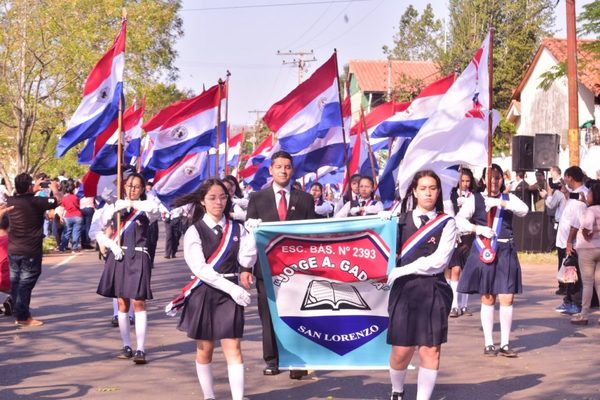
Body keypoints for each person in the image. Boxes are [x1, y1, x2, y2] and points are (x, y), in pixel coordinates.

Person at [172, 179, 256, 400]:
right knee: (205, 349)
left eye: (223, 197)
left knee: (233, 347)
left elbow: (244, 259)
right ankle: (209, 396)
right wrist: (231, 288)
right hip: (204, 292)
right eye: (212, 197)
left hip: (230, 294)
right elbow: (199, 268)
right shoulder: (194, 231)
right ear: (202, 201)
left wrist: (254, 237)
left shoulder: (237, 228)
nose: (218, 202)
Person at [240, 150, 318, 379]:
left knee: (298, 316)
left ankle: (297, 362)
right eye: (279, 167)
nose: (283, 170)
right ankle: (272, 360)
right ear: (271, 170)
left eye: (287, 167)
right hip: (266, 269)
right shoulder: (257, 198)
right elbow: (249, 237)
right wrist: (245, 268)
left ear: (292, 170)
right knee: (269, 315)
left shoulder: (304, 199)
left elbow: (313, 233)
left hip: (298, 271)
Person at [386, 170, 457, 400]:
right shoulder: (398, 221)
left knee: (430, 349)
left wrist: (403, 269)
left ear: (438, 191)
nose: (428, 193)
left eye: (433, 188)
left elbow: (439, 262)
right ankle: (397, 391)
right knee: (401, 351)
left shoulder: (447, 222)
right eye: (423, 188)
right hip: (404, 292)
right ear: (414, 192)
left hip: (434, 290)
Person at [456, 164, 528, 357]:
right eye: (490, 178)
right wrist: (477, 229)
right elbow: (459, 220)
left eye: (497, 177)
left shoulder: (508, 198)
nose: (494, 181)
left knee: (507, 297)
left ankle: (505, 344)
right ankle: (489, 342)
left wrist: (501, 204)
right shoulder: (475, 199)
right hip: (484, 250)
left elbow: (524, 210)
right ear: (483, 180)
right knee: (488, 297)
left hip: (505, 251)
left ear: (502, 180)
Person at [90, 172, 160, 364]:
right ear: (124, 186)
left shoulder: (147, 206)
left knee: (138, 302)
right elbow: (94, 230)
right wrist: (110, 244)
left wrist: (129, 204)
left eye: (137, 186)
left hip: (139, 255)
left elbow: (154, 211)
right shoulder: (113, 207)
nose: (132, 189)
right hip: (118, 254)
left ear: (142, 189)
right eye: (129, 185)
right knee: (122, 303)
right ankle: (126, 345)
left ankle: (141, 348)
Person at [7, 173, 61, 326]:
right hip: (30, 250)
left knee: (16, 281)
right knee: (26, 282)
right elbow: (58, 200)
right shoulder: (36, 202)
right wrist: (54, 188)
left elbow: (21, 195)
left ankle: (18, 311)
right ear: (30, 186)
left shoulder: (11, 200)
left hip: (13, 249)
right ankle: (23, 316)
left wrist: (33, 189)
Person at [554, 166, 588, 315]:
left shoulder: (583, 195)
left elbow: (577, 222)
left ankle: (574, 302)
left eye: (566, 177)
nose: (565, 180)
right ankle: (568, 300)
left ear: (570, 178)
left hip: (572, 243)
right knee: (567, 271)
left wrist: (569, 242)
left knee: (572, 273)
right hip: (564, 240)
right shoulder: (575, 194)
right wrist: (566, 193)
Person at [447, 168, 476, 317]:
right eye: (462, 181)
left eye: (467, 181)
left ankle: (464, 305)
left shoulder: (474, 197)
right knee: (455, 269)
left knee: (467, 270)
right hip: (454, 236)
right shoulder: (451, 195)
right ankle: (453, 305)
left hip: (469, 236)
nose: (465, 184)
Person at [570, 180, 600, 325]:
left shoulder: (590, 211)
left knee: (587, 283)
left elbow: (587, 226)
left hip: (587, 250)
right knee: (599, 283)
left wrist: (587, 234)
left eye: (589, 193)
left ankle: (584, 314)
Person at [59, 180, 83, 253]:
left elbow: (62, 209)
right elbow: (79, 206)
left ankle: (62, 248)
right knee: (76, 232)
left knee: (66, 232)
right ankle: (74, 248)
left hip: (68, 216)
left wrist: (61, 217)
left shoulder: (64, 198)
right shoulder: (76, 197)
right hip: (77, 216)